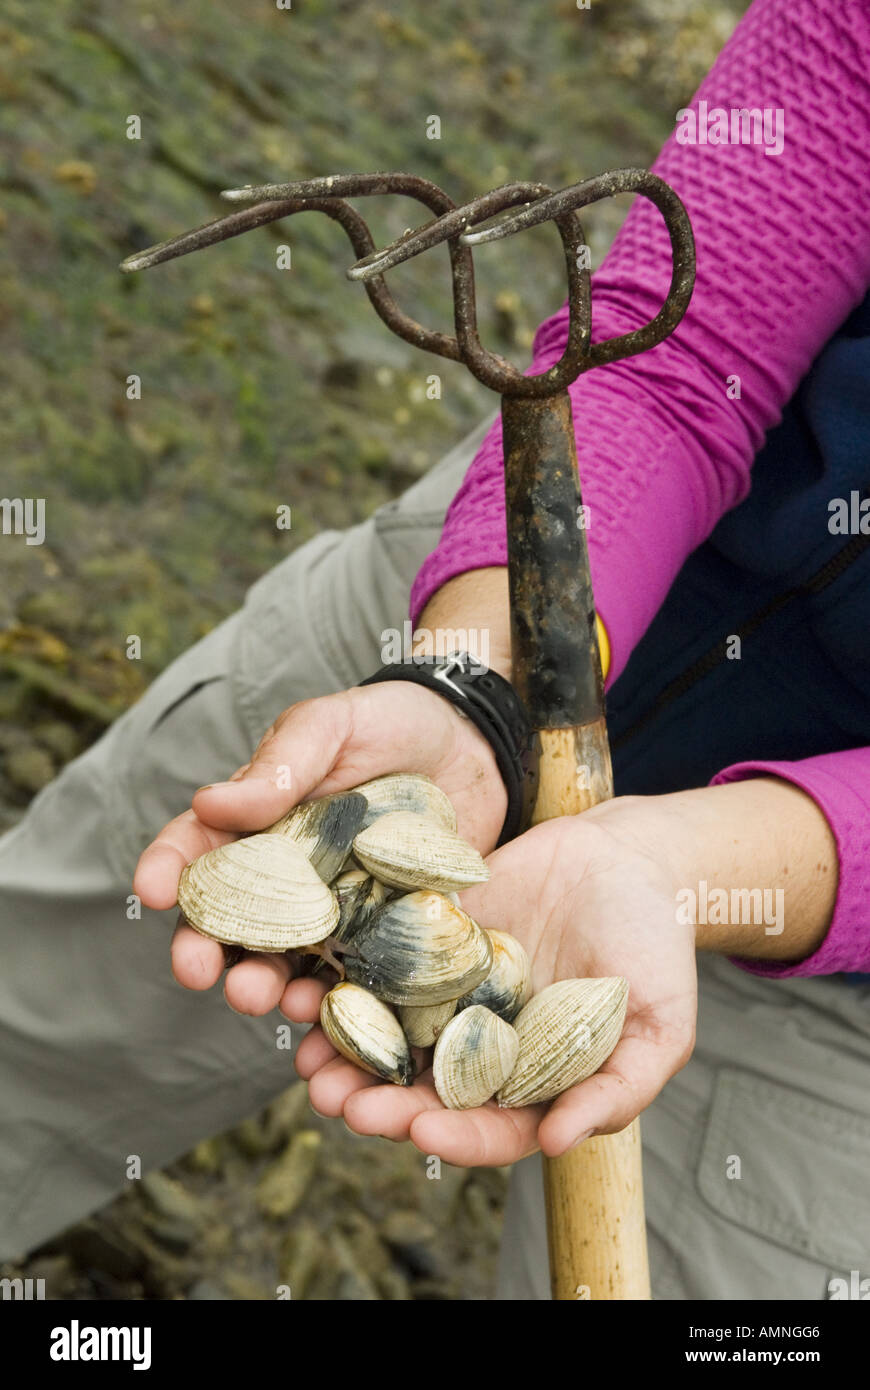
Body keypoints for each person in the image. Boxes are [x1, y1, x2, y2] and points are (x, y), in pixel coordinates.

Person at [2, 0, 869, 1299]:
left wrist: (680, 866)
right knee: (42, 1016)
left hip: (834, 973)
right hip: (496, 586)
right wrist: (467, 685)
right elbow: (679, 357)